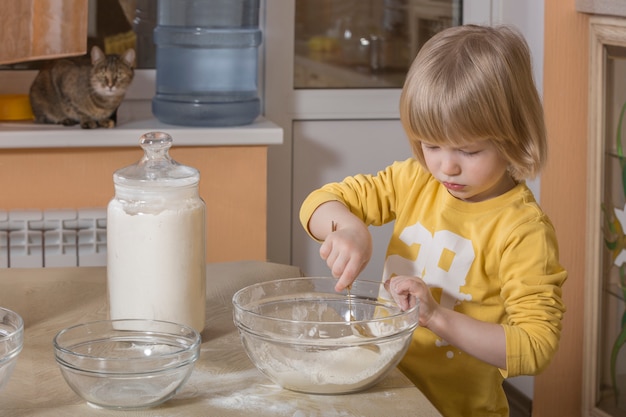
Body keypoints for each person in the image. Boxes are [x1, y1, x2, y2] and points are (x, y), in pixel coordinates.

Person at [299, 24, 567, 417]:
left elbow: (536, 345)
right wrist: (350, 228)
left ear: (515, 135)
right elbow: (321, 201)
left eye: (469, 150)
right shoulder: (415, 179)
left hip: (457, 409)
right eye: (431, 144)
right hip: (384, 392)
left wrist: (437, 319)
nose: (446, 166)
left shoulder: (523, 231)